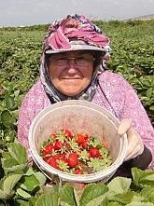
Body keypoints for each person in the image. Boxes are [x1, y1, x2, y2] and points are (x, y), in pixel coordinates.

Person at [17, 14, 154, 174]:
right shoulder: (35, 100)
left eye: (82, 59)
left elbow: (150, 150)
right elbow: (26, 161)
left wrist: (139, 153)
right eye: (61, 59)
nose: (72, 69)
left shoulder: (116, 89)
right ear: (46, 64)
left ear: (95, 63)